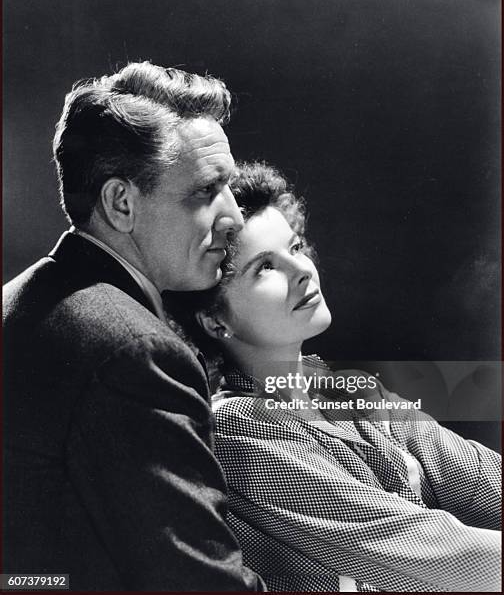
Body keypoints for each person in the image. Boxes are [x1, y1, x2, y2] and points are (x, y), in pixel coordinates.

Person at [179, 161, 501, 592]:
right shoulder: (235, 426)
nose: (302, 271)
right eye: (266, 268)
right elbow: (426, 549)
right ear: (216, 322)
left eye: (295, 248)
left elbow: (481, 478)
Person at [2, 62, 265, 591]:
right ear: (121, 203)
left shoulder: (24, 301)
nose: (234, 217)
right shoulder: (135, 351)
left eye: (229, 189)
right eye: (205, 192)